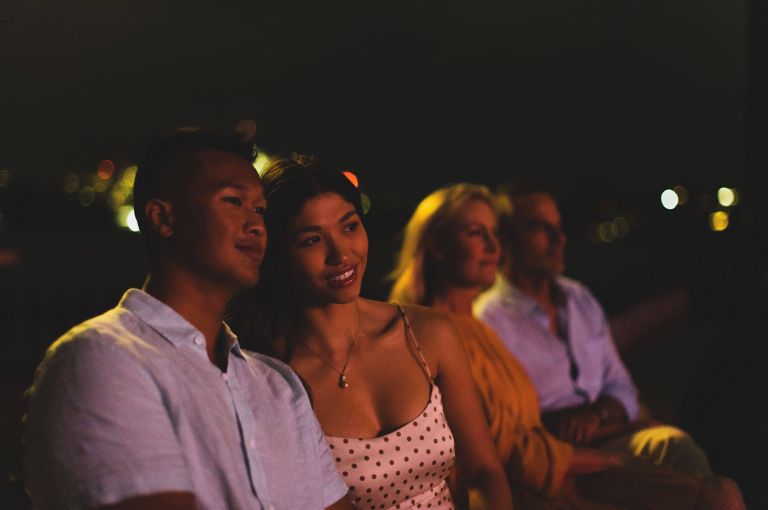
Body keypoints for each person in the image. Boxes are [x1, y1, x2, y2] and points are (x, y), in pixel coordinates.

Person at [23, 130, 352, 510]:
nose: (257, 225)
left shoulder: (279, 386)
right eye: (233, 202)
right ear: (163, 217)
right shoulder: (104, 358)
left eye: (260, 210)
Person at [389, 182, 745, 510]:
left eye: (494, 234)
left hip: (570, 455)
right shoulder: (463, 325)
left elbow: (619, 388)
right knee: (717, 493)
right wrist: (599, 456)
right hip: (547, 477)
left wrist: (607, 421)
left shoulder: (545, 308)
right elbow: (500, 448)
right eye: (475, 233)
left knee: (684, 455)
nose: (492, 247)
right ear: (436, 245)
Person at [229, 155, 514, 510]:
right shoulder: (269, 377)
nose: (342, 254)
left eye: (349, 227)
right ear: (275, 254)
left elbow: (485, 472)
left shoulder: (427, 334)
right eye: (312, 240)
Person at [473, 183, 713, 476]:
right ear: (507, 240)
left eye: (559, 227)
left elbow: (623, 387)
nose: (558, 238)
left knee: (689, 462)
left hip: (611, 433)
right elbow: (506, 427)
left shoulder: (579, 298)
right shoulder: (488, 320)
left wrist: (596, 413)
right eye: (538, 228)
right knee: (677, 452)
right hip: (555, 456)